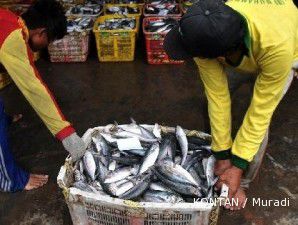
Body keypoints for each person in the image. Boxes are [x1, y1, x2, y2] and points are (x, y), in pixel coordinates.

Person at [164, 0, 298, 210]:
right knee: (211, 105)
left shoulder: (278, 48)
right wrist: (223, 154)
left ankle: (239, 183)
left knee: (257, 120)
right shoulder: (203, 34)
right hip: (238, 49)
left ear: (219, 55)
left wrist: (238, 167)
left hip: (280, 51)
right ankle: (221, 159)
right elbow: (218, 98)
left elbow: (259, 113)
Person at [0, 0, 86, 192]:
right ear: (41, 32)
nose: (46, 46)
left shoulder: (10, 20)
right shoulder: (13, 38)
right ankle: (10, 180)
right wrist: (66, 133)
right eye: (49, 41)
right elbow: (34, 89)